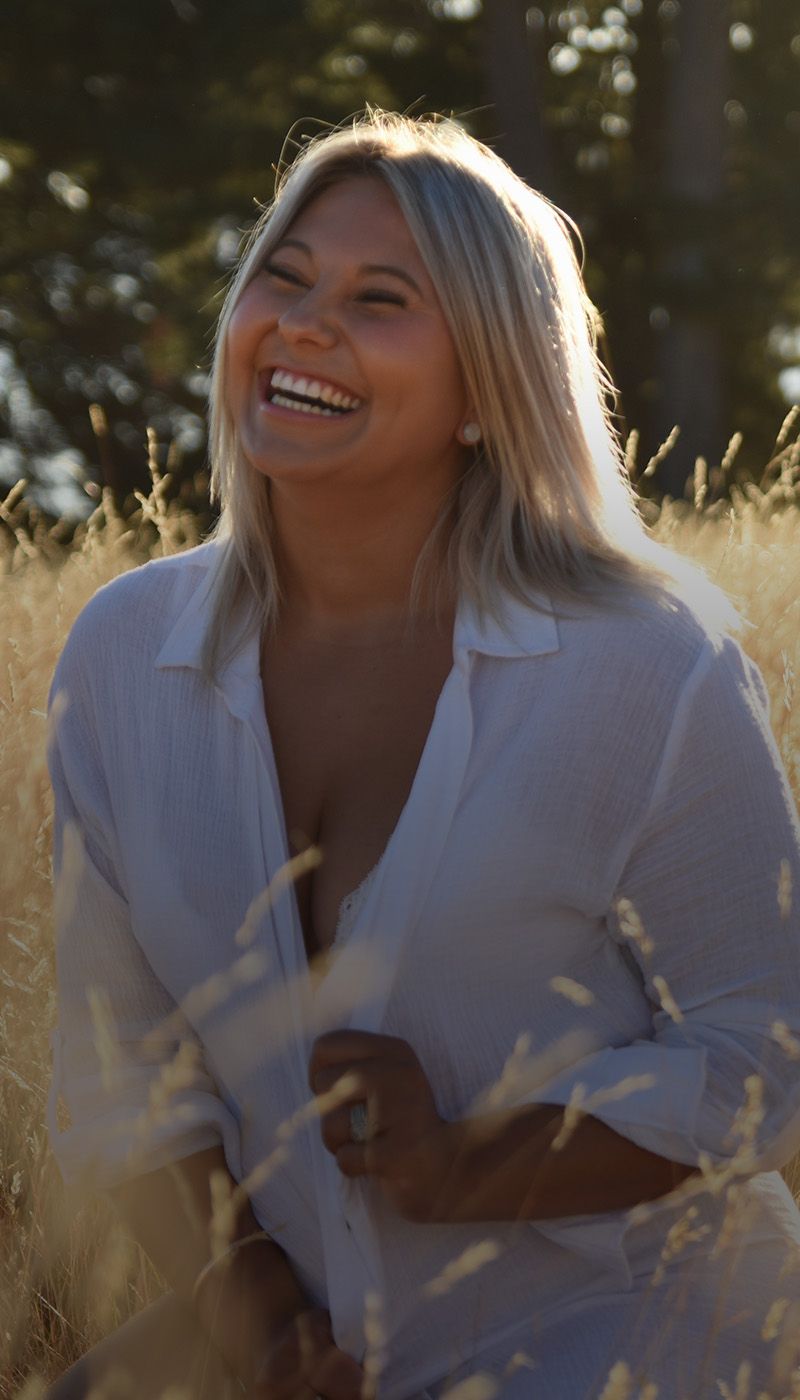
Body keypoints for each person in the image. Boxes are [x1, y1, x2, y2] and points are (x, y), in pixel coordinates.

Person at [46, 110, 800, 1400]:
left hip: (630, 1338)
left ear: (488, 387)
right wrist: (266, 1328)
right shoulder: (124, 654)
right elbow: (122, 1075)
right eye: (284, 278)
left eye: (379, 299)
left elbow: (772, 1049)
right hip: (300, 1340)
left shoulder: (645, 665)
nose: (304, 323)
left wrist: (471, 1163)